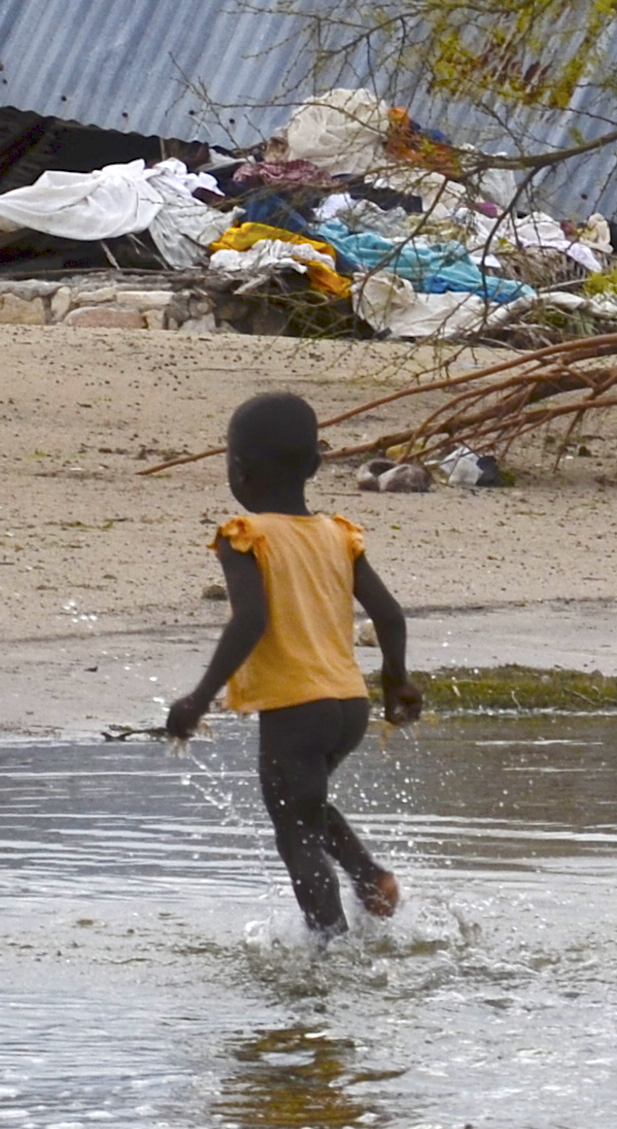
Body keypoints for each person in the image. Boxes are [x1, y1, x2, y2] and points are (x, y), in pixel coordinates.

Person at [158, 391, 421, 935]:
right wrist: (396, 682)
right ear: (316, 466)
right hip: (349, 705)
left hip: (296, 708)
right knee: (305, 804)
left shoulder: (245, 536)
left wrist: (199, 698)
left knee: (294, 831)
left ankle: (330, 951)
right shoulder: (338, 535)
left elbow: (250, 621)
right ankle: (369, 876)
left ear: (239, 472)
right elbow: (389, 615)